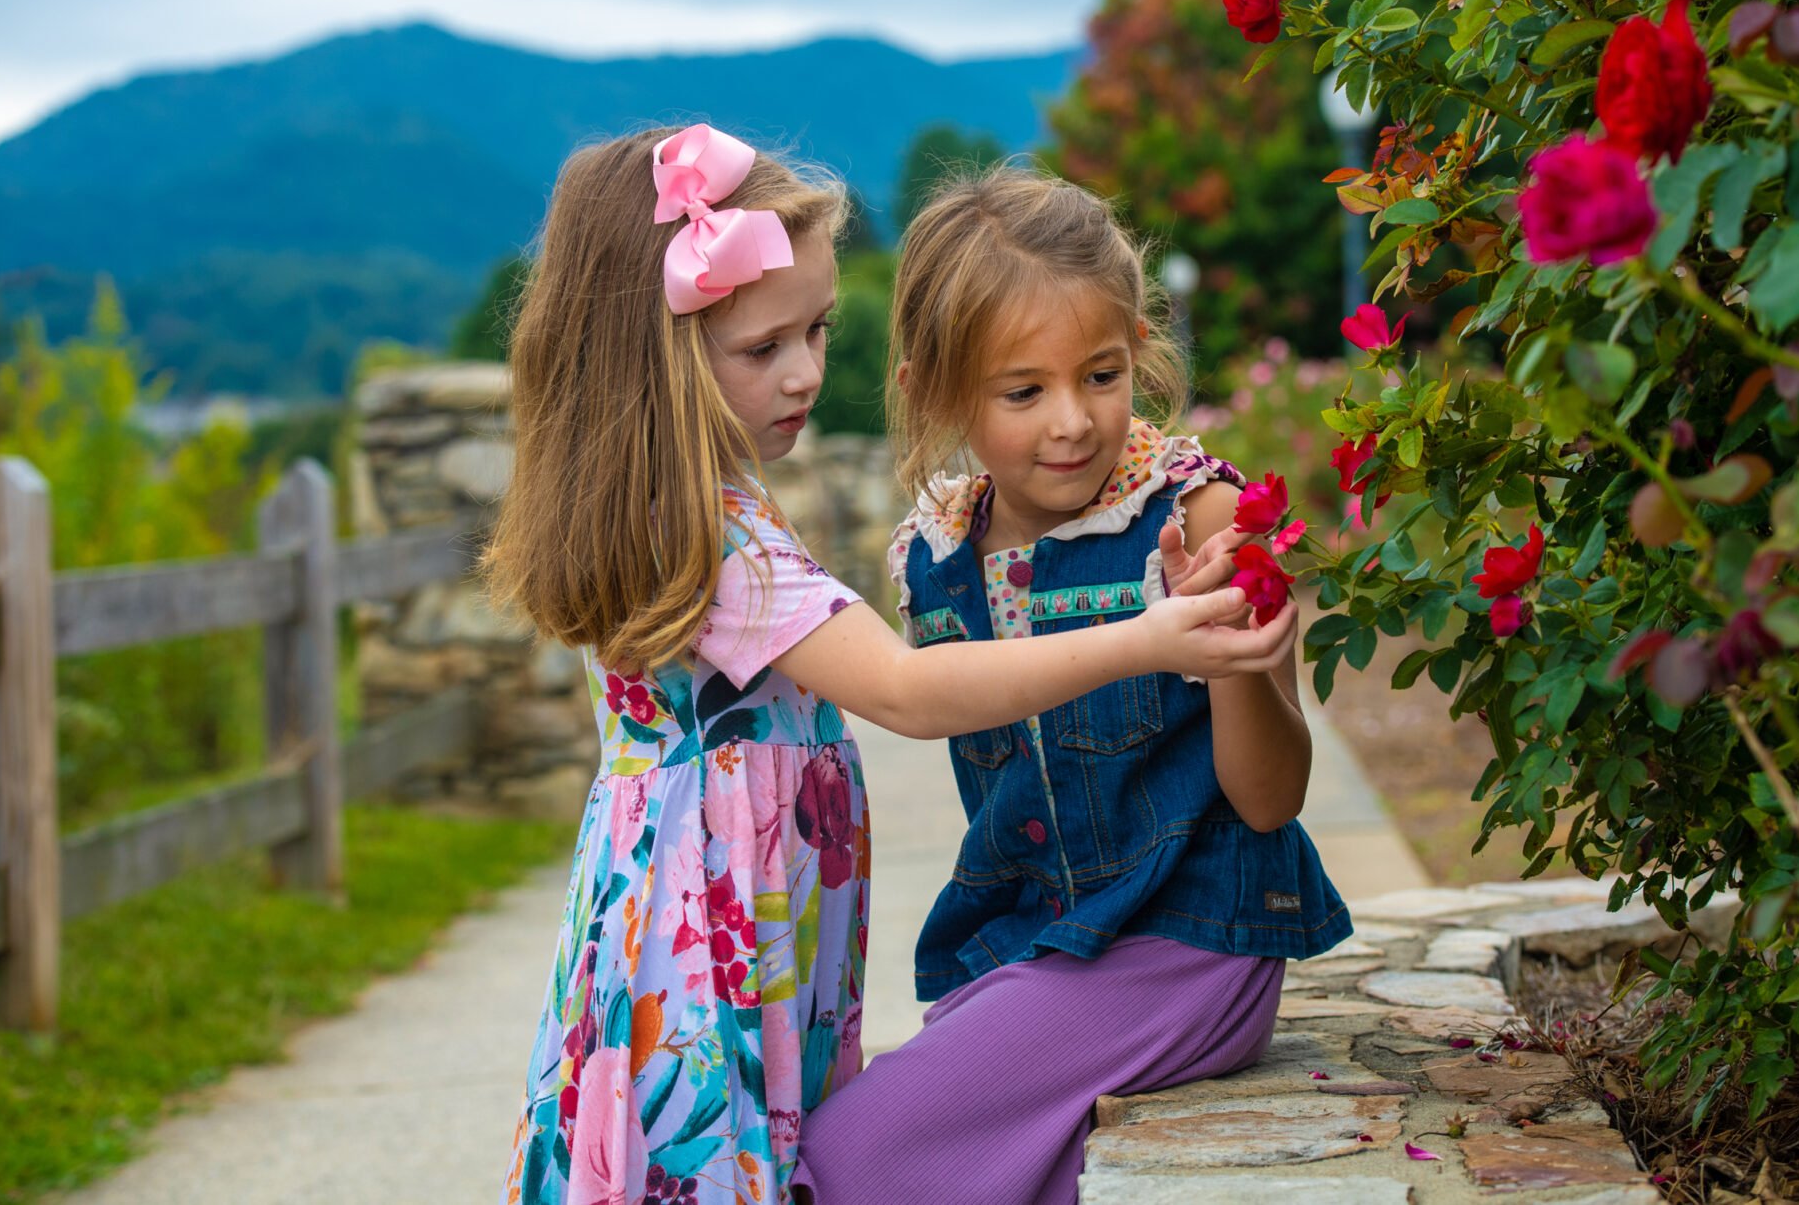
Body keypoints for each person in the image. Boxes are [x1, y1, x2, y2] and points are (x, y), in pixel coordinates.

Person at [485, 125, 1297, 1205]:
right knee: (783, 1173)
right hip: (722, 939)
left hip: (758, 925)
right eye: (764, 347)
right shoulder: (714, 538)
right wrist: (1150, 638)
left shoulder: (685, 515)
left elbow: (1262, 794)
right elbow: (909, 693)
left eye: (815, 332)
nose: (807, 372)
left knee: (802, 1166)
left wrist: (1215, 651)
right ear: (658, 359)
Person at [793, 167, 1350, 1205]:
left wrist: (1231, 658)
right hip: (1027, 955)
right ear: (936, 394)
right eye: (1022, 390)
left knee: (846, 1160)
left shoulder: (1198, 522)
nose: (1072, 423)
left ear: (1139, 347)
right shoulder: (933, 558)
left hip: (1189, 948)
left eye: (1100, 375)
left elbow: (1272, 798)